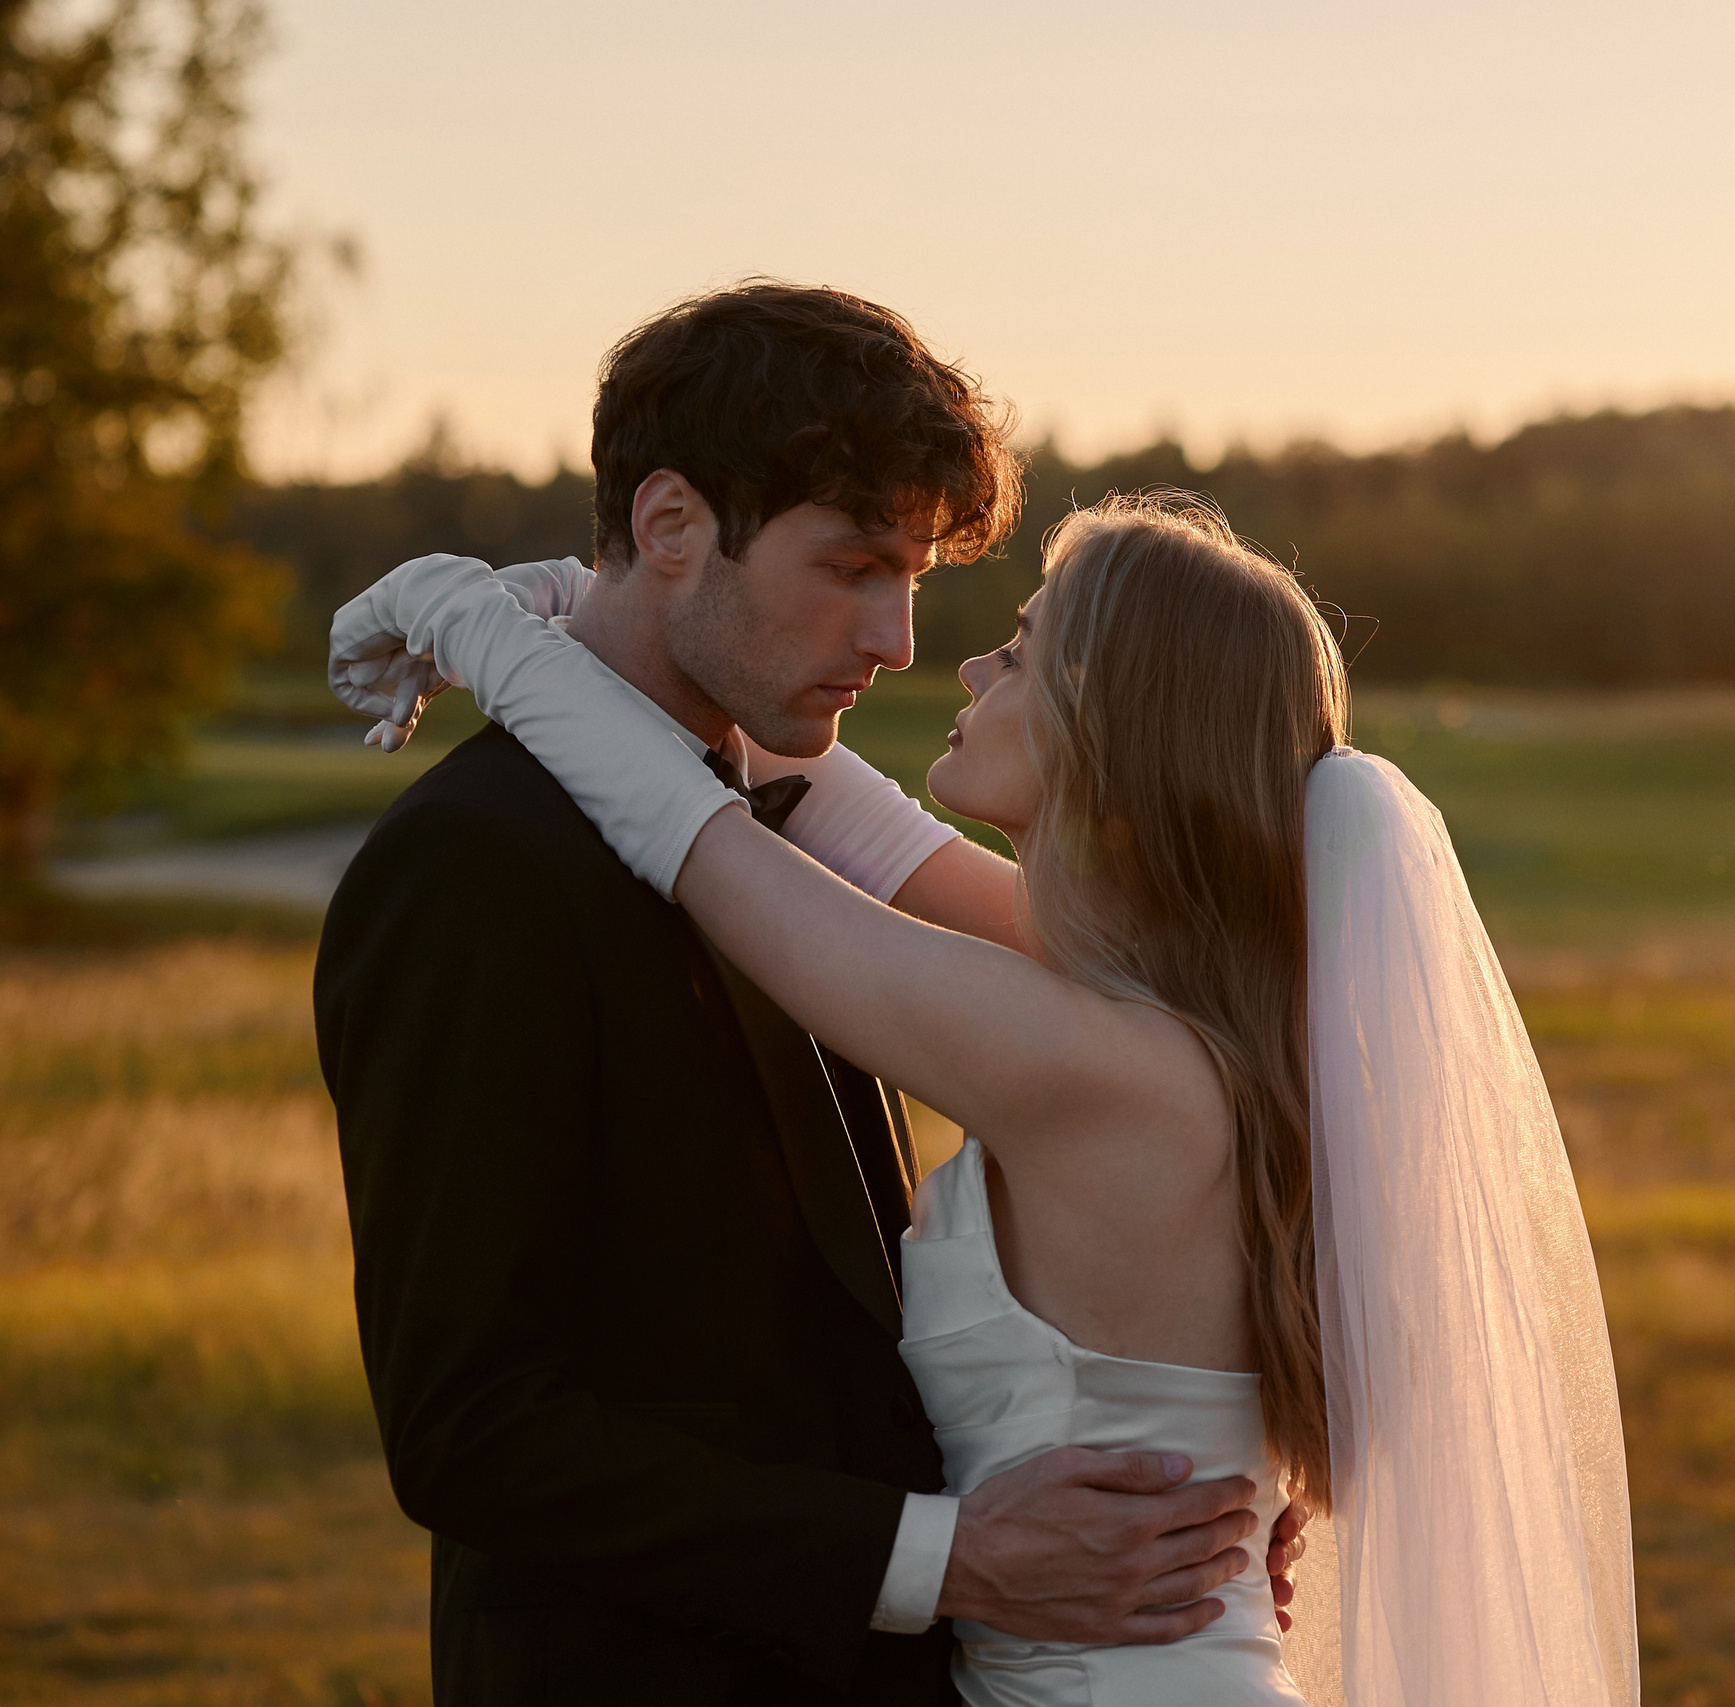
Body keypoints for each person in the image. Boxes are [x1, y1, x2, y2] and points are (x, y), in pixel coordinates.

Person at [332, 483, 1639, 1704]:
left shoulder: (1100, 1064)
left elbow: (701, 839)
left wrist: (471, 624)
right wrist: (613, 602)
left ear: (1109, 733)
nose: (961, 668)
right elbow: (864, 830)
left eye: (1017, 654)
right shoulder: (1174, 1010)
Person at [314, 283, 1296, 1706]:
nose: (899, 639)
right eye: (850, 568)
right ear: (668, 527)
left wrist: (1208, 1485)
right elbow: (471, 1429)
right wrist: (942, 1559)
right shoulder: (475, 868)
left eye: (915, 578)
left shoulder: (775, 840)